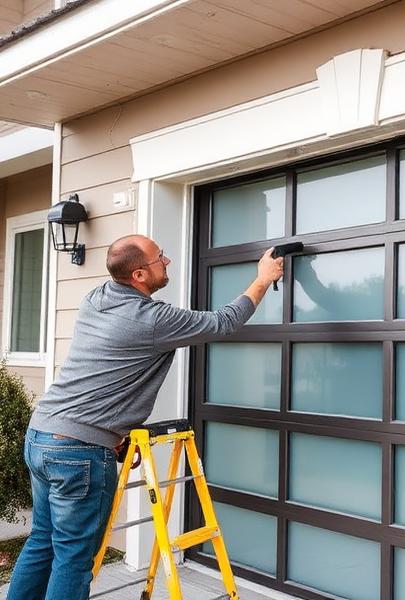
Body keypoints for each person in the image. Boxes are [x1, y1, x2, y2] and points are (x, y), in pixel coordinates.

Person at [6, 234, 283, 600]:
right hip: (78, 452)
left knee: (43, 541)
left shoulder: (97, 297)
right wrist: (263, 278)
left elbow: (106, 370)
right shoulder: (150, 319)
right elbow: (223, 323)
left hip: (42, 434)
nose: (166, 261)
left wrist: (115, 431)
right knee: (73, 558)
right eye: (159, 258)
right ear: (138, 274)